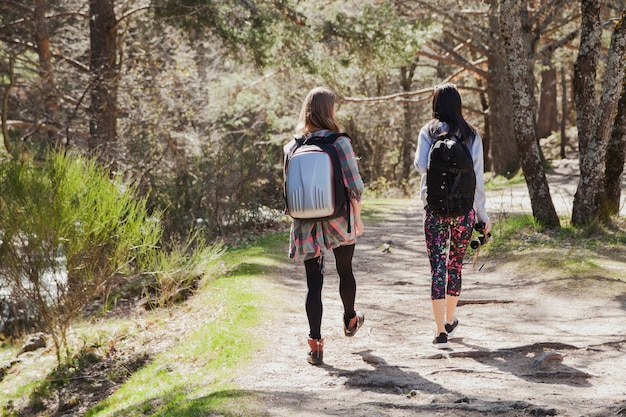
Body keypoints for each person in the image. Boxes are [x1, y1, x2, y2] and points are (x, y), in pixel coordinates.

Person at [284, 86, 365, 365]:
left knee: (313, 283)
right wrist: (358, 218)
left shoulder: (292, 146)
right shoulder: (340, 143)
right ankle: (350, 319)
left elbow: (288, 188)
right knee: (345, 271)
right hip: (338, 218)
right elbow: (355, 186)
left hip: (305, 222)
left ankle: (315, 344)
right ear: (329, 111)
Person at [414, 83, 491, 349]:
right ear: (458, 104)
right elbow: (478, 179)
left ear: (435, 104)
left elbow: (421, 166)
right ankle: (449, 319)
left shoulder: (429, 131)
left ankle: (439, 332)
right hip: (464, 212)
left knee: (437, 268)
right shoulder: (471, 135)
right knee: (454, 265)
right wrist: (482, 215)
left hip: (434, 209)